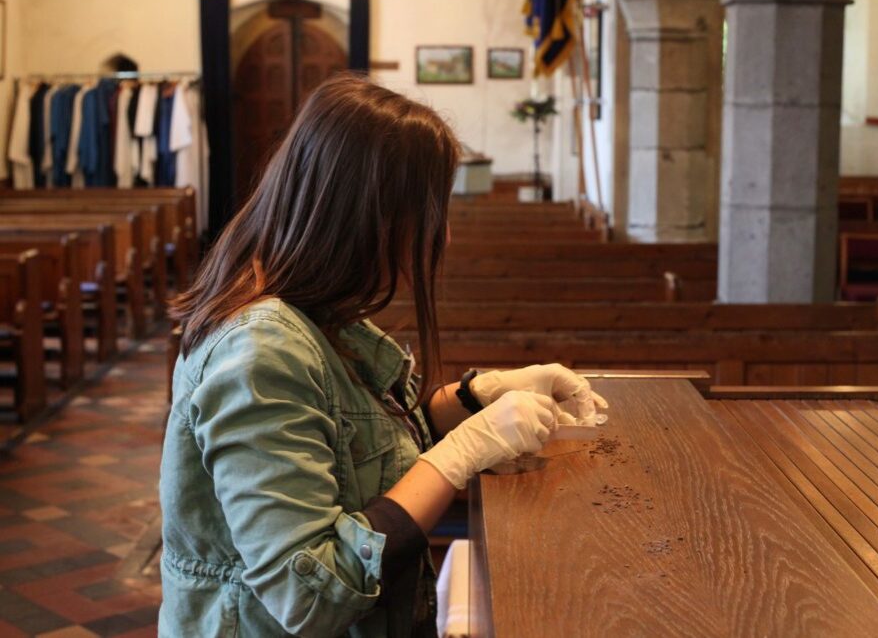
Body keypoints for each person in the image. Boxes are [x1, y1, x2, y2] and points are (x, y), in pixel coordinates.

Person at [158, 75, 608, 638]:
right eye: (430, 210)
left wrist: (475, 398)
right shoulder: (261, 349)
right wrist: (460, 454)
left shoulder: (319, 311)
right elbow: (308, 595)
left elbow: (360, 444)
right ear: (370, 214)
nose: (441, 234)